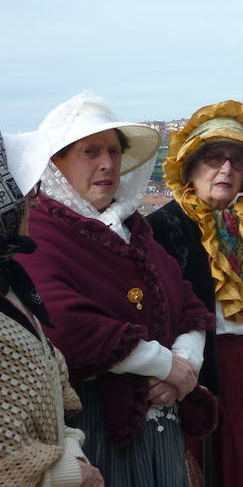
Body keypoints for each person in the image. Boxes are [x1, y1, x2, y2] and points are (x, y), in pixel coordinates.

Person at [16, 92, 218, 486]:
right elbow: (66, 325)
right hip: (97, 428)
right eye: (90, 152)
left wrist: (188, 364)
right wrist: (167, 365)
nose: (107, 163)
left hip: (163, 424)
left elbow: (188, 301)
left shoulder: (133, 231)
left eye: (112, 151)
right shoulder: (40, 233)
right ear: (56, 163)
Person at [147, 100, 243, 487]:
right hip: (204, 373)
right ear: (191, 165)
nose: (226, 169)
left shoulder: (242, 227)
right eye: (214, 157)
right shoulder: (162, 228)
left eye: (237, 161)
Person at [0, 129, 104, 486]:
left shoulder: (13, 283)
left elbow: (57, 393)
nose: (34, 203)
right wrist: (70, 473)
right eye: (25, 194)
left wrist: (71, 451)